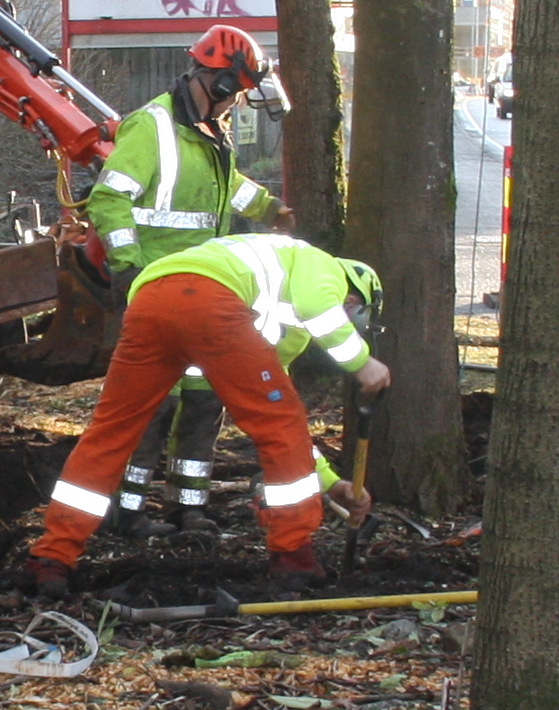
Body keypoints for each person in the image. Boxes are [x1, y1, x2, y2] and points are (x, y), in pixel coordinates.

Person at [25, 233, 387, 594]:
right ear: (353, 296)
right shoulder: (322, 265)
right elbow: (317, 311)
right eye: (352, 311)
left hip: (150, 299)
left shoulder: (281, 316)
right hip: (210, 298)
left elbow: (280, 412)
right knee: (279, 426)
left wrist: (330, 482)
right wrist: (362, 363)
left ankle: (53, 556)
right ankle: (293, 557)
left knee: (110, 432)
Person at [84, 26, 286, 529]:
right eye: (235, 92)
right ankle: (126, 512)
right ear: (215, 83)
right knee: (152, 405)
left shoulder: (207, 135)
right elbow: (109, 199)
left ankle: (187, 506)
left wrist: (269, 209)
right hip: (155, 293)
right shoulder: (151, 127)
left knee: (202, 400)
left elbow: (222, 191)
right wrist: (128, 268)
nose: (236, 103)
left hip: (206, 296)